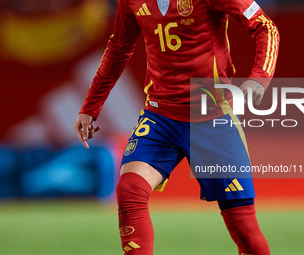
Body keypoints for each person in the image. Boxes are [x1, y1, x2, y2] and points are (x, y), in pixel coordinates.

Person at [74, 0, 279, 254]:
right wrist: (89, 107)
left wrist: (260, 78)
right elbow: (119, 47)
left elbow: (265, 27)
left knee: (245, 231)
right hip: (160, 116)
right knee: (129, 190)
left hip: (212, 117)